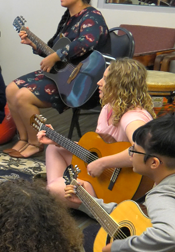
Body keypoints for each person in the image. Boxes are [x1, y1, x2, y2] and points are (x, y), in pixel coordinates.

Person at [65, 114, 175, 252]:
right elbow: (136, 218)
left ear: (154, 163)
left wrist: (119, 250)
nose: (130, 155)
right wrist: (89, 201)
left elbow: (168, 235)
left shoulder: (161, 194)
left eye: (134, 151)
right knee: (92, 234)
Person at [4, 0, 110, 158]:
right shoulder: (68, 18)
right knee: (11, 89)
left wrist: (57, 56)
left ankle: (36, 143)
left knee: (22, 97)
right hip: (59, 74)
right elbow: (53, 49)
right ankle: (23, 138)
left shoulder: (92, 16)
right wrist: (34, 44)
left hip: (78, 82)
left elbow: (86, 42)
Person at [37, 58, 154, 208]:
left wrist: (102, 163)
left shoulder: (132, 117)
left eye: (105, 79)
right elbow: (96, 151)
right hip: (99, 177)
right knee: (54, 149)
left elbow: (143, 149)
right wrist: (57, 141)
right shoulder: (108, 108)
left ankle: (61, 196)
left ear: (119, 85)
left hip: (113, 187)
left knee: (53, 190)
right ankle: (62, 196)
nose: (99, 82)